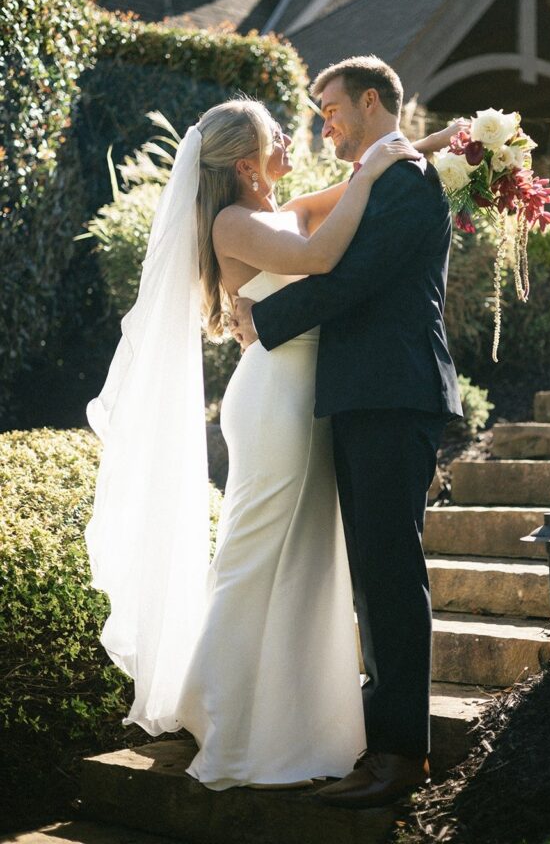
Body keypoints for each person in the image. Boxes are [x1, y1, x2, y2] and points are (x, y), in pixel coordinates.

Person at [85, 93, 457, 793]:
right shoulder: (234, 221)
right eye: (276, 133)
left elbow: (350, 186)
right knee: (255, 550)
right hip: (275, 400)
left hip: (309, 398)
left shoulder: (274, 209)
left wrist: (435, 142)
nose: (292, 137)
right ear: (247, 162)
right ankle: (221, 711)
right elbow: (320, 253)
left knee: (304, 557)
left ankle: (289, 717)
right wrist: (373, 174)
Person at [233, 56, 462, 809]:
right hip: (363, 395)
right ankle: (379, 741)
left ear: (371, 102)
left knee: (391, 571)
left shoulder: (404, 181)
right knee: (372, 570)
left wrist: (261, 321)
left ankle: (401, 756)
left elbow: (349, 280)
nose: (321, 121)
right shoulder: (384, 172)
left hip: (394, 395)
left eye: (329, 108)